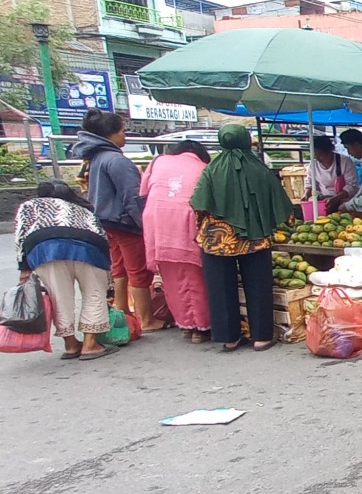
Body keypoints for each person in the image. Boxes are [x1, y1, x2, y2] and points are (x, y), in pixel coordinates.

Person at [190, 124, 293, 352]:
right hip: (255, 237)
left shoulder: (211, 170)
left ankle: (229, 338)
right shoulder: (260, 169)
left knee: (220, 287)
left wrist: (205, 227)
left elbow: (199, 204)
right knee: (258, 285)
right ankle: (262, 337)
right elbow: (279, 201)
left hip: (217, 240)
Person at [72, 109, 165, 332]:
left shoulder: (96, 158)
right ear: (110, 134)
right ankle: (146, 319)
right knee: (138, 270)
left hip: (107, 221)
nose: (125, 136)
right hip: (125, 223)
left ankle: (122, 310)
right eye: (122, 132)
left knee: (120, 268)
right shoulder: (116, 160)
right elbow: (132, 197)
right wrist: (144, 226)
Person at [13, 180, 117, 360]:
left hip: (45, 250)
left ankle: (70, 344)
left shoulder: (29, 205)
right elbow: (101, 236)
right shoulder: (83, 210)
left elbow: (21, 236)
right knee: (94, 294)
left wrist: (24, 268)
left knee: (58, 297)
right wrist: (108, 282)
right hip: (89, 248)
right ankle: (90, 344)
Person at [140, 141, 212, 343]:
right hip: (188, 222)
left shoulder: (158, 162)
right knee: (197, 278)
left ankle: (185, 324)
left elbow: (143, 192)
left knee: (172, 279)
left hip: (158, 223)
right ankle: (202, 326)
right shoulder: (203, 167)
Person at [301, 135, 360, 211]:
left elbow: (352, 186)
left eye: (320, 155)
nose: (318, 158)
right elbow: (310, 183)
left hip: (345, 203)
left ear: (330, 151)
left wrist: (335, 199)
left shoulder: (345, 162)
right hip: (325, 202)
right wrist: (306, 194)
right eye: (315, 155)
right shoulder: (313, 165)